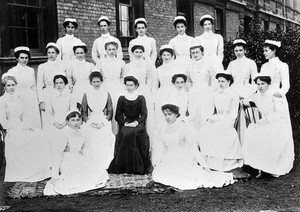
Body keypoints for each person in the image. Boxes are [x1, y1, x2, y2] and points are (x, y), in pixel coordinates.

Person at [152, 103, 235, 190]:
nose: (167, 117)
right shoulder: (162, 128)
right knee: (158, 174)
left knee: (183, 178)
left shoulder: (183, 126)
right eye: (165, 115)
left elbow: (193, 148)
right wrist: (156, 162)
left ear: (176, 114)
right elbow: (160, 147)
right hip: (169, 156)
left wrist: (204, 166)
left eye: (170, 114)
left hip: (182, 157)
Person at [43, 110, 109, 195]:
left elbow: (85, 149)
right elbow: (57, 154)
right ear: (67, 122)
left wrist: (89, 161)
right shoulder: (64, 133)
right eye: (73, 120)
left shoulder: (82, 132)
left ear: (81, 121)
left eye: (78, 120)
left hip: (77, 157)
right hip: (66, 159)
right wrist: (54, 175)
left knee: (97, 171)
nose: (76, 123)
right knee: (76, 177)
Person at [0, 75, 51, 182]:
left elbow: (24, 116)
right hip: (11, 129)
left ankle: (40, 171)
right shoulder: (2, 100)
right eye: (8, 85)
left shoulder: (19, 98)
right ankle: (25, 172)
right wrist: (16, 127)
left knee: (40, 135)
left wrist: (28, 126)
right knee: (24, 138)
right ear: (4, 87)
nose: (11, 87)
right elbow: (3, 121)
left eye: (13, 85)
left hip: (21, 125)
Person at [242, 74, 294, 178]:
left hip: (277, 123)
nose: (260, 86)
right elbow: (246, 101)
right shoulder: (257, 96)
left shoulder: (274, 95)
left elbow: (280, 113)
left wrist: (267, 120)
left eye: (263, 84)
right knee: (252, 132)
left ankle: (269, 167)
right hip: (264, 122)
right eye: (258, 84)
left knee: (268, 136)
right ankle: (258, 166)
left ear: (269, 84)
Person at [198, 71, 243, 172]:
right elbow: (212, 110)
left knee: (220, 130)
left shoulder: (233, 94)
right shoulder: (215, 94)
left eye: (223, 81)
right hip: (217, 117)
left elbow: (234, 113)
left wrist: (227, 121)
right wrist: (210, 118)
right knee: (205, 129)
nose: (221, 83)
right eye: (219, 81)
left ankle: (225, 164)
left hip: (228, 119)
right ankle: (209, 162)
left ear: (229, 81)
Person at [108, 76, 152, 174]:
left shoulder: (141, 98)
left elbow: (144, 114)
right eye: (127, 85)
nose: (129, 87)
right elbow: (117, 116)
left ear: (136, 86)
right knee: (125, 132)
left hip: (138, 123)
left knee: (135, 131)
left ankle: (137, 166)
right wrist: (125, 123)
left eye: (131, 85)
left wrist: (136, 122)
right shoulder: (122, 98)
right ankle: (125, 165)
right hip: (127, 122)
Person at [226, 39, 258, 143]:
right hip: (234, 89)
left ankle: (247, 144)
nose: (238, 53)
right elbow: (226, 79)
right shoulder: (231, 63)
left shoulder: (251, 63)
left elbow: (255, 82)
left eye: (240, 50)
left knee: (247, 118)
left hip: (246, 90)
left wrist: (246, 95)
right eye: (236, 50)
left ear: (245, 50)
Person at [81, 71, 115, 169]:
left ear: (101, 82)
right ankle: (93, 162)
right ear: (90, 83)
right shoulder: (86, 94)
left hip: (103, 120)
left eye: (98, 81)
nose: (96, 84)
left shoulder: (106, 94)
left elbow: (110, 111)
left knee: (105, 134)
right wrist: (90, 122)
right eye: (94, 82)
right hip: (91, 119)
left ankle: (105, 163)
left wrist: (103, 123)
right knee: (90, 134)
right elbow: (83, 112)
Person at [124, 44, 156, 138]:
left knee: (147, 114)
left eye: (140, 52)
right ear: (132, 53)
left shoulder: (147, 65)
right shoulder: (128, 66)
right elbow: (125, 80)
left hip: (144, 90)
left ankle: (148, 138)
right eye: (136, 52)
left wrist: (148, 89)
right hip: (132, 91)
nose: (138, 54)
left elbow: (150, 79)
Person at [7, 46, 41, 129]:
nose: (24, 60)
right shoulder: (12, 71)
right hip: (19, 97)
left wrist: (36, 99)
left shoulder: (31, 70)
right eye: (22, 58)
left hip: (31, 97)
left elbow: (34, 86)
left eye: (26, 58)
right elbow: (10, 88)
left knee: (33, 119)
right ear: (17, 58)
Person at [186, 43, 219, 131]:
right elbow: (188, 80)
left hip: (206, 92)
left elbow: (215, 79)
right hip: (194, 92)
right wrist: (190, 90)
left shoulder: (209, 64)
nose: (195, 55)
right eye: (193, 53)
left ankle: (206, 140)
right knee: (194, 115)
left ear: (202, 53)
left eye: (197, 52)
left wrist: (211, 90)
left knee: (205, 115)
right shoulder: (189, 65)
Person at [96, 41, 125, 134]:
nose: (111, 51)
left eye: (113, 49)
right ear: (106, 50)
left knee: (117, 109)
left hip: (117, 87)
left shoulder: (121, 62)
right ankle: (106, 133)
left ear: (116, 50)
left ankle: (117, 133)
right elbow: (97, 77)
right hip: (105, 87)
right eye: (109, 49)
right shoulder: (101, 62)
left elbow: (123, 77)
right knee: (106, 109)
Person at [44, 74, 73, 166]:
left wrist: (66, 122)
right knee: (52, 137)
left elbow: (73, 111)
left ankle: (66, 164)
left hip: (67, 122)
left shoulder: (70, 96)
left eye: (61, 83)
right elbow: (48, 113)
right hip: (55, 121)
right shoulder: (50, 96)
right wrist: (54, 123)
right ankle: (54, 165)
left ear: (65, 84)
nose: (59, 85)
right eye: (56, 83)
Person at [37, 42, 67, 126]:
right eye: (49, 52)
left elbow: (66, 82)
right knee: (47, 117)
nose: (51, 55)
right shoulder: (42, 66)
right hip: (48, 93)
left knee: (58, 115)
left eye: (53, 52)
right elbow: (39, 85)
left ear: (57, 53)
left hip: (59, 93)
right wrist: (41, 101)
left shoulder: (62, 65)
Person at [154, 45, 180, 127]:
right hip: (161, 93)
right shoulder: (158, 70)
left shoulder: (176, 68)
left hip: (173, 92)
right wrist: (154, 98)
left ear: (172, 56)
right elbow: (155, 85)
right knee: (161, 116)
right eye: (164, 55)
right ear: (161, 56)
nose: (166, 57)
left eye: (168, 55)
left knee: (173, 113)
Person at [67, 41, 95, 106]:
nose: (80, 55)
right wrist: (71, 87)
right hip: (77, 89)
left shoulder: (90, 65)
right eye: (77, 53)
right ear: (75, 54)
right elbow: (69, 78)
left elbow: (95, 77)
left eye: (81, 53)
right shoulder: (71, 65)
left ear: (85, 53)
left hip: (88, 88)